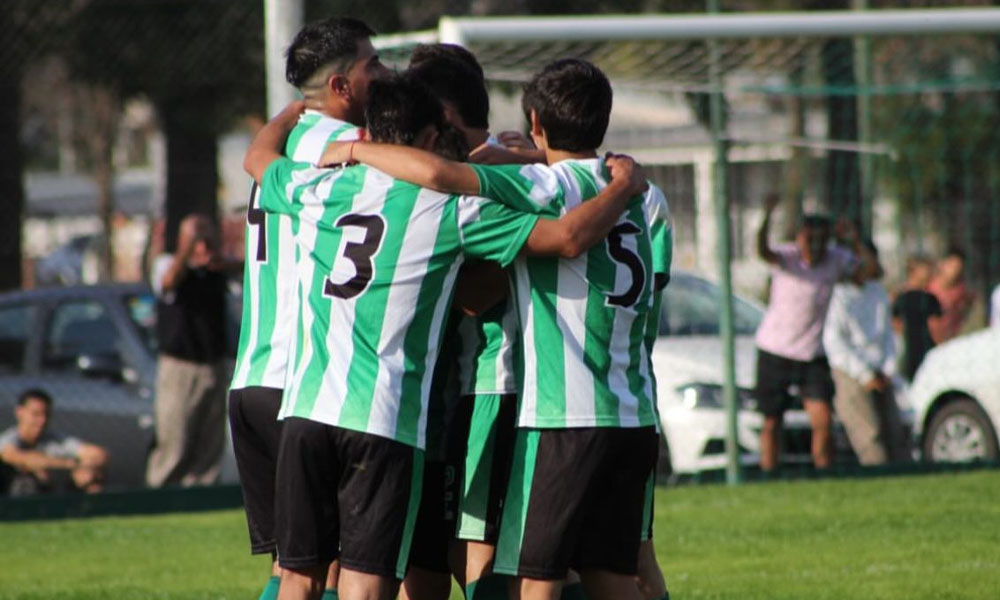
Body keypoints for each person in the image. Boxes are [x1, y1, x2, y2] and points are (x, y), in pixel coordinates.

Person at [244, 76, 648, 600]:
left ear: (368, 133)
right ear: (433, 138)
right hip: (383, 419)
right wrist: (619, 186)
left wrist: (291, 112)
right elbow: (566, 238)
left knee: (298, 577)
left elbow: (258, 159)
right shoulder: (451, 211)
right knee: (367, 585)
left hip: (305, 411)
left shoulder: (320, 190)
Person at [227, 17, 386, 600]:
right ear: (341, 86)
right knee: (334, 568)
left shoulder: (283, 145)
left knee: (290, 569)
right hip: (301, 385)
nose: (384, 73)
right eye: (373, 64)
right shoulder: (347, 152)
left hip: (251, 379)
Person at [754, 192, 869, 473]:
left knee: (823, 420)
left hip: (812, 354)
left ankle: (824, 475)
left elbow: (869, 273)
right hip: (775, 350)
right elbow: (762, 250)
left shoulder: (836, 259)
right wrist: (766, 216)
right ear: (799, 238)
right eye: (809, 239)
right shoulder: (787, 258)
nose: (815, 246)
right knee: (772, 422)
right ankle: (769, 476)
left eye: (821, 240)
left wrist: (854, 239)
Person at [146, 213, 232, 488]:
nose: (202, 246)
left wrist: (217, 258)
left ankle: (202, 492)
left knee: (210, 440)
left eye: (207, 238)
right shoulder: (167, 264)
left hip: (213, 364)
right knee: (175, 438)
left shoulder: (217, 271)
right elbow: (168, 282)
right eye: (197, 239)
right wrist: (187, 251)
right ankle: (161, 491)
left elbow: (242, 267)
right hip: (179, 368)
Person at [824, 241, 910, 465]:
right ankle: (878, 474)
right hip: (851, 372)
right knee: (870, 435)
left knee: (895, 431)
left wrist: (887, 369)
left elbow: (888, 337)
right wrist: (864, 374)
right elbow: (835, 343)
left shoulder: (877, 292)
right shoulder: (838, 296)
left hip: (881, 371)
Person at [0, 389, 109, 496]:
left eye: (46, 415)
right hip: (13, 494)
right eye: (36, 414)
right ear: (19, 412)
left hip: (56, 489)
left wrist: (83, 470)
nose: (42, 420)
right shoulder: (9, 439)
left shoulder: (55, 439)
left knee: (90, 479)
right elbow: (17, 457)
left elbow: (98, 454)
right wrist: (68, 465)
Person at [891, 255, 942, 380]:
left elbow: (938, 326)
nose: (929, 272)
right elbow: (894, 324)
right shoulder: (899, 298)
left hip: (927, 352)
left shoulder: (930, 298)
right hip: (907, 353)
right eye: (925, 269)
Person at [928, 247, 976, 343]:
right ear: (942, 264)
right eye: (951, 266)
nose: (954, 271)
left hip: (950, 342)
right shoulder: (928, 288)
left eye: (958, 268)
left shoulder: (961, 291)